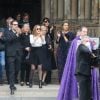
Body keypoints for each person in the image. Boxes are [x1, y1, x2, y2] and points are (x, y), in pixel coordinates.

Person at [57, 26, 100, 100]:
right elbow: (73, 55)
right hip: (79, 66)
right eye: (83, 31)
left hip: (89, 67)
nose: (85, 33)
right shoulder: (75, 41)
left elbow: (93, 52)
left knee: (87, 89)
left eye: (86, 31)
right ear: (80, 32)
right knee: (82, 88)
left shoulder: (89, 41)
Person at [75, 36, 96, 100]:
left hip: (87, 72)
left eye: (88, 41)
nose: (88, 42)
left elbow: (91, 59)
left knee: (87, 92)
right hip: (81, 72)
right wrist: (92, 54)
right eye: (87, 41)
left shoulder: (87, 49)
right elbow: (87, 51)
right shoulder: (81, 46)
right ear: (83, 41)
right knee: (83, 92)